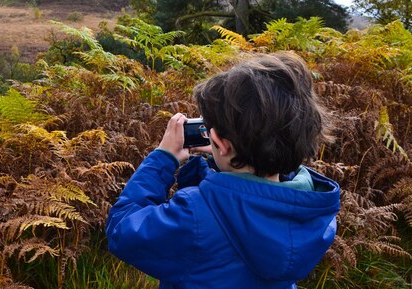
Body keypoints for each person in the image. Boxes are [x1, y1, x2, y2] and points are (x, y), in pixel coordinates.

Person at [106, 53, 340, 289]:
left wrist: (162, 159)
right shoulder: (310, 209)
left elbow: (122, 229)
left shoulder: (194, 215)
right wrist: (225, 159)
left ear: (217, 140)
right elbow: (250, 198)